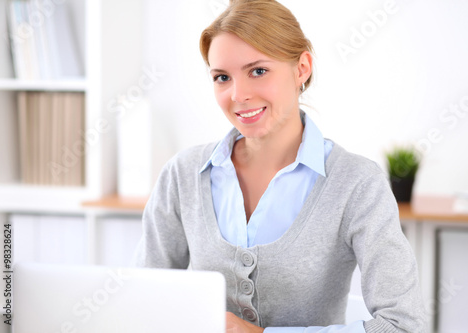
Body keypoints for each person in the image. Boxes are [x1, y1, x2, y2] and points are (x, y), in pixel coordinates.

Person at [135, 0, 426, 332]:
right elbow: (145, 300)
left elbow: (403, 325)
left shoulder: (357, 184)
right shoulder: (182, 175)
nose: (238, 94)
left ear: (301, 68)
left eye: (258, 71)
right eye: (222, 77)